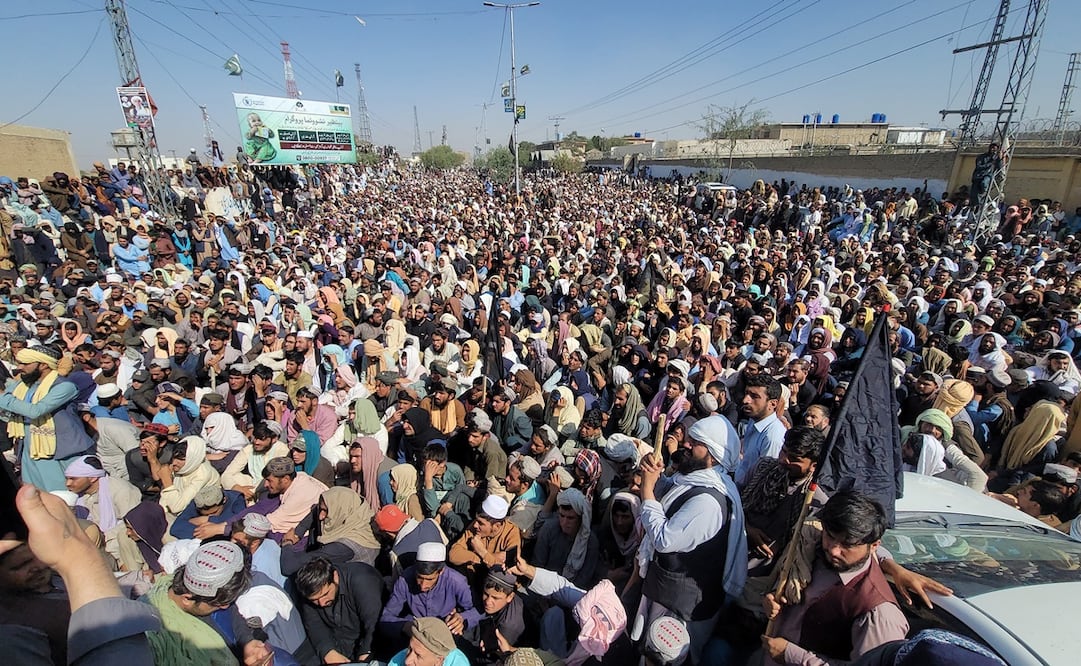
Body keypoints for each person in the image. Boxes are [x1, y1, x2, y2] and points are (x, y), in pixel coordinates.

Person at [0, 484, 160, 665]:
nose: (35, 567)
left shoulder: (56, 578)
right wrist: (79, 560)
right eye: (20, 566)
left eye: (36, 557)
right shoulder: (14, 632)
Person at [636, 415, 748, 661]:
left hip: (682, 607)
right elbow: (674, 495)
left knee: (667, 657)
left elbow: (665, 539)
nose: (685, 444)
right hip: (666, 592)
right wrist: (656, 475)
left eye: (695, 443)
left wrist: (646, 490)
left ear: (713, 455)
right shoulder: (694, 480)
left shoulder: (709, 502)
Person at [761, 491, 909, 665]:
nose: (833, 550)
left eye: (847, 544)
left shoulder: (879, 614)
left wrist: (792, 655)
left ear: (874, 545)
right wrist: (773, 601)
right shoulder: (811, 551)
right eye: (830, 536)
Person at [0, 346, 94, 490]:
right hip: (29, 448)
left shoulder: (65, 386)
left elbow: (36, 410)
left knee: (62, 495)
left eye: (25, 364)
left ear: (43, 364)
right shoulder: (22, 385)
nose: (20, 368)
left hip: (58, 450)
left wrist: (5, 400)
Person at [379, 542, 482, 640]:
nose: (423, 586)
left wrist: (461, 619)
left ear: (441, 571)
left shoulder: (456, 581)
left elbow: (479, 610)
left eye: (429, 579)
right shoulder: (405, 580)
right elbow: (386, 617)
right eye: (419, 577)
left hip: (446, 632)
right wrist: (406, 626)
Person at [295, 556, 384, 664]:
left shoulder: (362, 580)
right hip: (332, 638)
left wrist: (365, 654)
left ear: (335, 577)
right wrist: (328, 651)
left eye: (325, 594)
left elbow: (374, 624)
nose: (322, 603)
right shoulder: (307, 590)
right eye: (315, 600)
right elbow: (314, 624)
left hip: (370, 639)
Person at [448, 495, 521, 582]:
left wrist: (482, 551)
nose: (475, 525)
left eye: (480, 523)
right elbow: (453, 555)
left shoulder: (512, 533)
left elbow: (507, 572)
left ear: (496, 526)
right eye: (476, 520)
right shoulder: (474, 527)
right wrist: (484, 557)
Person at [736, 373, 787, 486]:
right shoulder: (754, 419)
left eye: (754, 396)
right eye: (746, 394)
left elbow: (764, 480)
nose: (745, 400)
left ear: (772, 403)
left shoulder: (772, 437)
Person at [386, 617, 471, 666]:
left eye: (418, 655)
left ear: (438, 661)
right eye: (410, 649)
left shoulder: (458, 663)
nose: (407, 661)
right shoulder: (398, 659)